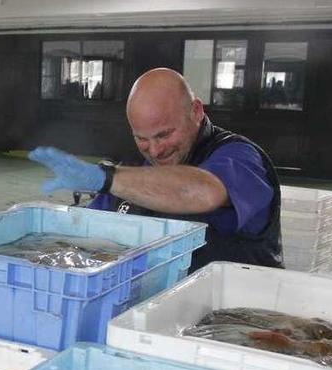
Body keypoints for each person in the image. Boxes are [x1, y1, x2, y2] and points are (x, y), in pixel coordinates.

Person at [30, 68, 282, 271]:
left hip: (234, 316)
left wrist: (106, 178)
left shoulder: (241, 157)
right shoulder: (134, 171)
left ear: (196, 111)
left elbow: (204, 192)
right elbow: (86, 230)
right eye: (142, 138)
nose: (155, 150)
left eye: (164, 134)